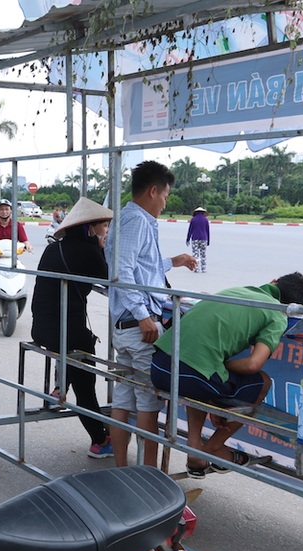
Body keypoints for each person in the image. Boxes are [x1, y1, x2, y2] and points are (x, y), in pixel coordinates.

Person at [149, 273, 303, 478]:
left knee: (199, 378)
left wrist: (213, 365)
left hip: (159, 367)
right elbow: (253, 364)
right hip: (192, 376)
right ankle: (212, 448)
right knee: (260, 382)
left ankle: (194, 449)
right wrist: (217, 364)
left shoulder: (233, 290)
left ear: (273, 282)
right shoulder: (276, 314)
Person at [104, 161, 196, 468]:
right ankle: (148, 477)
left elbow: (142, 266)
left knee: (124, 398)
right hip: (138, 326)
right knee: (148, 402)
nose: (165, 202)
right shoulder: (138, 221)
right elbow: (123, 270)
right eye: (165, 196)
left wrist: (174, 261)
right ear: (153, 191)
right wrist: (143, 314)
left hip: (125, 326)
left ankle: (121, 469)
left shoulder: (127, 218)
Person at [30, 197, 113, 458]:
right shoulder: (89, 251)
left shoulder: (53, 248)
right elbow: (110, 279)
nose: (107, 229)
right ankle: (99, 440)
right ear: (90, 227)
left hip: (41, 327)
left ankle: (62, 385)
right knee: (86, 385)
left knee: (81, 346)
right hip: (64, 331)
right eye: (104, 225)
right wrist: (100, 247)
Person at [186, 207, 210, 273]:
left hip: (195, 238)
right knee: (203, 254)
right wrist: (208, 241)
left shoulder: (193, 219)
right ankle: (203, 269)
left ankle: (196, 268)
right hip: (204, 239)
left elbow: (190, 230)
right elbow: (207, 231)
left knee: (195, 254)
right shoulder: (205, 220)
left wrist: (187, 239)